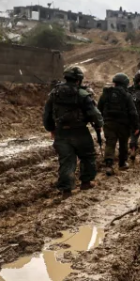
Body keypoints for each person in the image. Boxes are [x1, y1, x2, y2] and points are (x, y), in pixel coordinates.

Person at [43, 66, 103, 198]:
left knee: (66, 161)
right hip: (80, 131)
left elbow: (47, 114)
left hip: (61, 132)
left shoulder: (54, 93)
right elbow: (94, 113)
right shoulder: (82, 94)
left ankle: (66, 191)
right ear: (78, 80)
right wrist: (99, 125)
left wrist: (51, 129)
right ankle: (86, 183)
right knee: (87, 157)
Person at [98, 73, 139, 176]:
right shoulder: (127, 95)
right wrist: (136, 126)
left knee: (110, 143)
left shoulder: (106, 93)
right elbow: (133, 112)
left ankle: (109, 165)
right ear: (125, 83)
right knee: (123, 143)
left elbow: (99, 108)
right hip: (123, 124)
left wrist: (101, 121)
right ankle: (122, 163)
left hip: (109, 123)